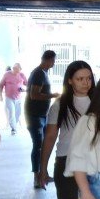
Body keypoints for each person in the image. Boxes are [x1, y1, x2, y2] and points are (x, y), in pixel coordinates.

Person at [38, 61, 94, 199]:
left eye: (88, 78)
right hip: (66, 162)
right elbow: (50, 136)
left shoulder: (99, 102)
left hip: (94, 163)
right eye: (80, 79)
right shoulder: (60, 105)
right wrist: (42, 168)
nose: (85, 83)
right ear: (70, 80)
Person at [26, 50, 60, 188]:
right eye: (53, 60)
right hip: (34, 115)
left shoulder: (43, 73)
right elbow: (34, 95)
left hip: (41, 115)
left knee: (43, 145)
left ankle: (43, 173)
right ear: (49, 60)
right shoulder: (39, 73)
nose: (54, 63)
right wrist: (53, 95)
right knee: (38, 145)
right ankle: (37, 177)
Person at [0, 63, 27, 135]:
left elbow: (28, 84)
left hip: (18, 98)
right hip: (9, 97)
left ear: (20, 69)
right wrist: (0, 96)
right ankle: (13, 129)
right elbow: (0, 85)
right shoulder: (7, 74)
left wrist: (24, 90)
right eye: (14, 68)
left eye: (17, 69)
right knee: (12, 112)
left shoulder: (22, 75)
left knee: (18, 113)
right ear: (13, 68)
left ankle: (14, 125)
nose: (15, 70)